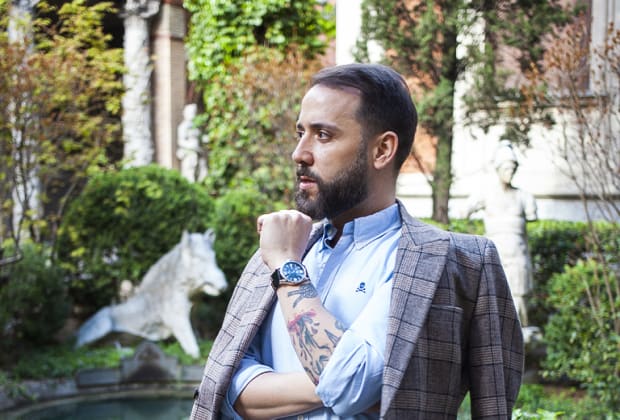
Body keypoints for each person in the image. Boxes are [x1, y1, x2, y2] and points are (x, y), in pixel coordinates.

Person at [190, 63, 524, 419]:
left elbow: (493, 406)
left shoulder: (447, 262)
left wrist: (288, 271)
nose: (299, 153)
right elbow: (221, 388)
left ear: (382, 150)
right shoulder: (275, 252)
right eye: (300, 133)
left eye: (323, 135)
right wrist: (362, 385)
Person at [462, 140, 537, 326]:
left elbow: (531, 219)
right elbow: (464, 212)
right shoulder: (486, 193)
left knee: (519, 295)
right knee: (493, 295)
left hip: (518, 253)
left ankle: (519, 330)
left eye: (512, 168)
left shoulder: (524, 197)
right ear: (498, 169)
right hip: (495, 253)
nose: (509, 172)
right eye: (506, 168)